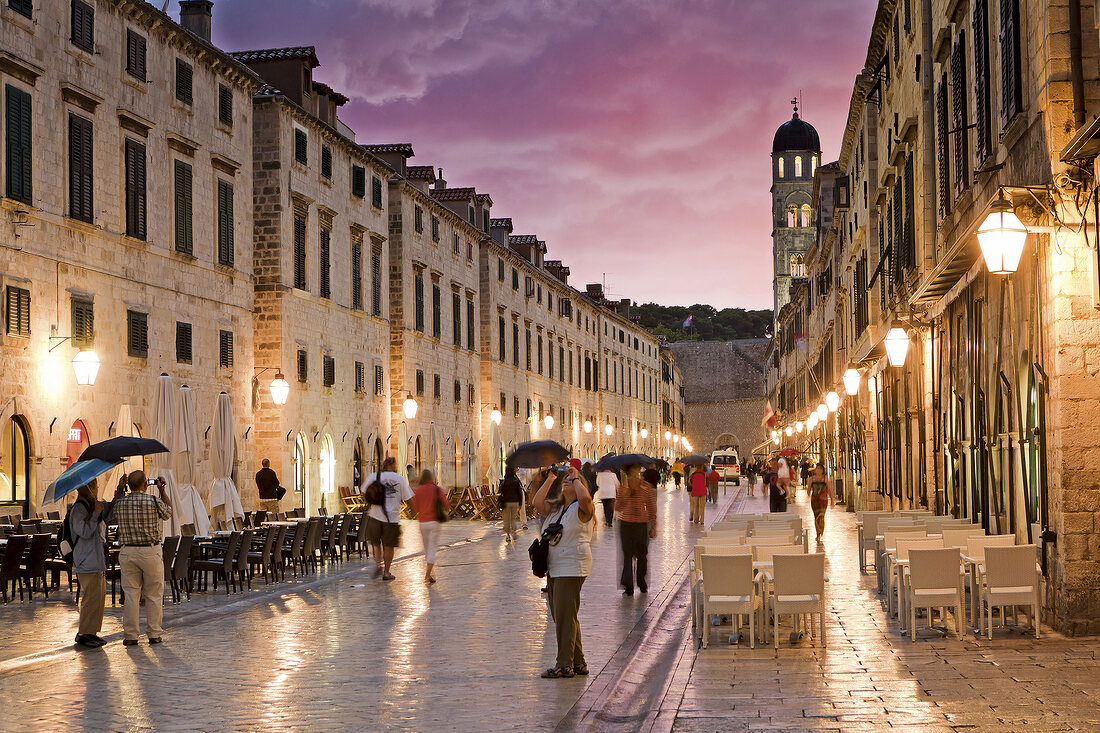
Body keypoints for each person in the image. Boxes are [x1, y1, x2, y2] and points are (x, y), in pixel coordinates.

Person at [533, 462, 595, 679]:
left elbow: (586, 499)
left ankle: (563, 665)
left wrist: (576, 477)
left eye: (572, 481)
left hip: (572, 566)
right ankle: (578, 662)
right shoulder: (557, 508)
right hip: (555, 567)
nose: (567, 482)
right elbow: (536, 501)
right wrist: (551, 476)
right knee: (565, 616)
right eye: (565, 481)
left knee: (565, 617)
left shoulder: (583, 509)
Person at [114, 470, 173, 645]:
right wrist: (162, 491)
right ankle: (154, 633)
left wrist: (119, 489)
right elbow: (168, 512)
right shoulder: (154, 500)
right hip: (150, 551)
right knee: (154, 593)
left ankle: (131, 635)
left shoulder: (121, 502)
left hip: (128, 551)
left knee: (131, 594)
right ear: (146, 484)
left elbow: (112, 511)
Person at [69, 479, 114, 648]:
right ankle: (84, 633)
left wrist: (118, 492)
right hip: (86, 559)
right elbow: (85, 531)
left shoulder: (90, 505)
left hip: (96, 559)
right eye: (96, 486)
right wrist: (95, 514)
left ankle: (92, 632)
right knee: (90, 598)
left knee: (98, 597)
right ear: (89, 488)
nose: (97, 489)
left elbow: (109, 514)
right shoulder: (79, 508)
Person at [364, 457, 414, 580]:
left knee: (376, 543)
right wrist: (414, 511)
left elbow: (364, 493)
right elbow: (408, 498)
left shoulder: (373, 477)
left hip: (375, 515)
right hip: (391, 518)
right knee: (388, 545)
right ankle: (386, 572)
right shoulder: (399, 479)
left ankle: (378, 564)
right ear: (393, 466)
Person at [617, 466, 657, 596]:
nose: (635, 475)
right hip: (626, 524)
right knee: (627, 555)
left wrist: (654, 526)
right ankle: (628, 585)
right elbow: (617, 507)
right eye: (632, 472)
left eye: (637, 472)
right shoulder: (624, 486)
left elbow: (651, 508)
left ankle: (641, 582)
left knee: (642, 555)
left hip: (641, 524)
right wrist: (624, 495)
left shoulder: (646, 486)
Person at [412, 469, 449, 583]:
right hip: (434, 522)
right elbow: (446, 505)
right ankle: (427, 575)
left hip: (423, 523)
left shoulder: (418, 490)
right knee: (432, 548)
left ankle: (431, 574)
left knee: (427, 549)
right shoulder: (437, 489)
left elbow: (416, 508)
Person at [808, 464, 835, 540]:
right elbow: (808, 490)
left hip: (823, 500)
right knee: (816, 517)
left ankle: (821, 532)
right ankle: (817, 533)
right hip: (814, 500)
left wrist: (832, 500)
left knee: (821, 516)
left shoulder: (825, 479)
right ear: (815, 470)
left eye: (820, 468)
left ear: (822, 470)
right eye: (817, 468)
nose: (818, 470)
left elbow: (829, 489)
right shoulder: (811, 479)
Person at [499, 465, 525, 543]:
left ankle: (507, 535)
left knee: (506, 520)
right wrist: (520, 503)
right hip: (515, 502)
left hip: (506, 502)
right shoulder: (516, 481)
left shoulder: (504, 481)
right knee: (513, 519)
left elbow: (501, 491)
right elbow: (519, 493)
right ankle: (513, 531)